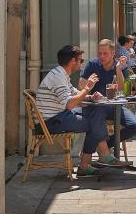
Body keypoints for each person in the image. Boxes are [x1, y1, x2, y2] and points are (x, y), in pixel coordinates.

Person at [36, 45, 123, 176]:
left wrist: (91, 96)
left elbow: (75, 94)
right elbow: (70, 104)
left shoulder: (61, 74)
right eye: (80, 60)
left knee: (96, 114)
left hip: (60, 116)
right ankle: (101, 155)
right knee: (94, 123)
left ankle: (90, 161)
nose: (81, 63)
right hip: (51, 121)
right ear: (73, 61)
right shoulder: (58, 77)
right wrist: (87, 88)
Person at [79, 39, 136, 153]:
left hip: (115, 107)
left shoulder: (120, 66)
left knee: (135, 125)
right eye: (99, 53)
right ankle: (105, 153)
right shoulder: (93, 64)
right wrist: (88, 83)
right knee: (96, 119)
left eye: (105, 53)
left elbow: (122, 89)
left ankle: (106, 145)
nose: (101, 56)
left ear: (113, 54)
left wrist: (118, 69)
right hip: (96, 107)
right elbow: (81, 85)